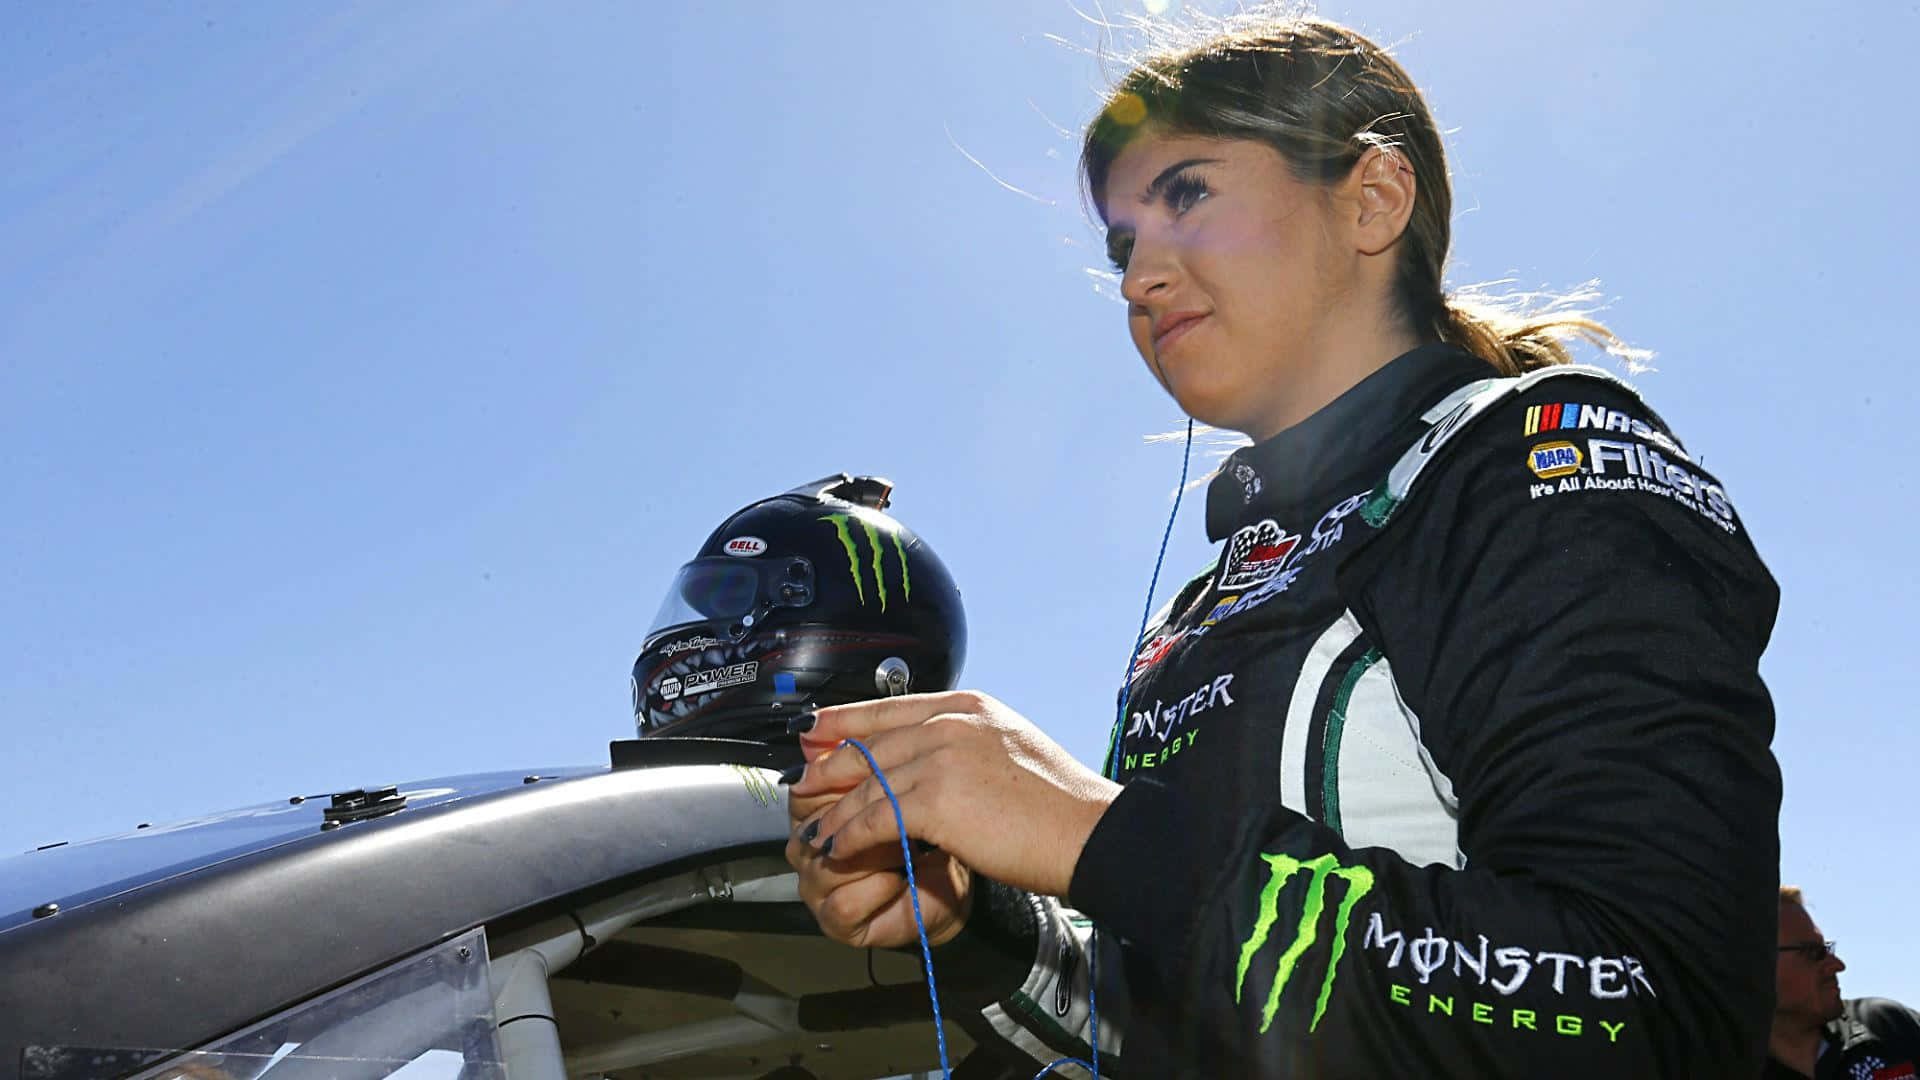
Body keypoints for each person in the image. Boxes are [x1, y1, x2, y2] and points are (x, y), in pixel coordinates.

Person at [783, 12, 1782, 1077]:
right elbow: (1188, 1011)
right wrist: (977, 924)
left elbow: (1653, 1002)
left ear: (1372, 197)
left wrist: (1095, 837)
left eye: (1189, 195)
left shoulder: (1535, 456)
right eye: (1124, 245)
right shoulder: (1215, 592)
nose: (1136, 279)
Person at [1765, 887, 1920, 1079]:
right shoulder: (1728, 1068)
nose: (1838, 965)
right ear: (1756, 966)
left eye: (1827, 950)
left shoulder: (1888, 1025)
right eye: (1813, 953)